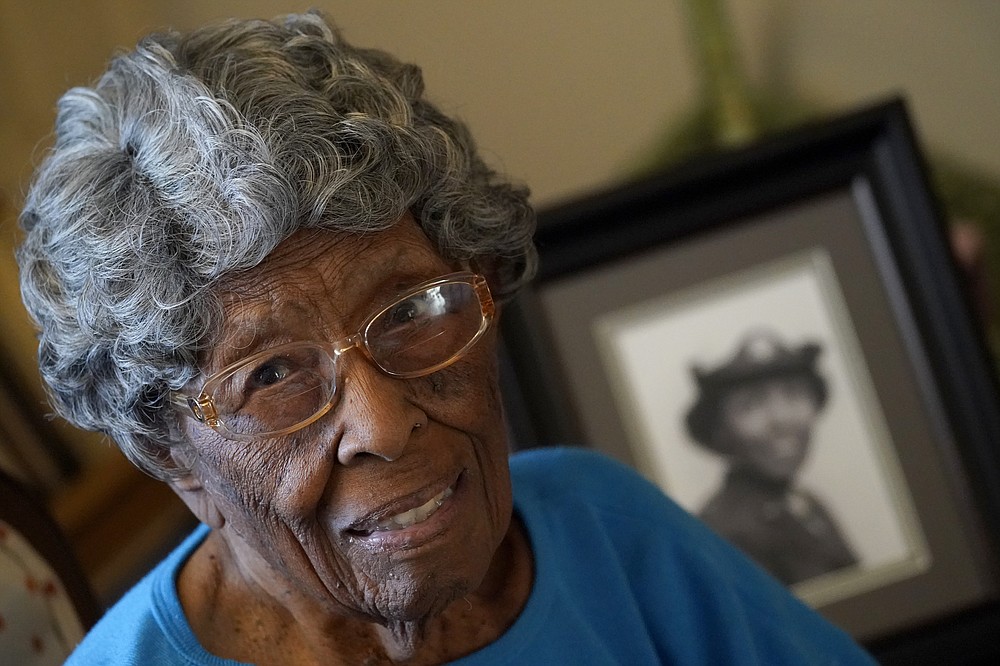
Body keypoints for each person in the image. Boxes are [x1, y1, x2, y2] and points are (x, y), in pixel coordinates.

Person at [16, 11, 876, 664]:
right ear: (172, 454)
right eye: (273, 372)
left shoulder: (605, 535)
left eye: (411, 311)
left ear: (485, 289)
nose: (384, 425)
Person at [685, 330, 859, 586]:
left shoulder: (806, 504)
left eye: (793, 394)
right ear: (721, 431)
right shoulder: (725, 531)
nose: (781, 419)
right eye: (751, 405)